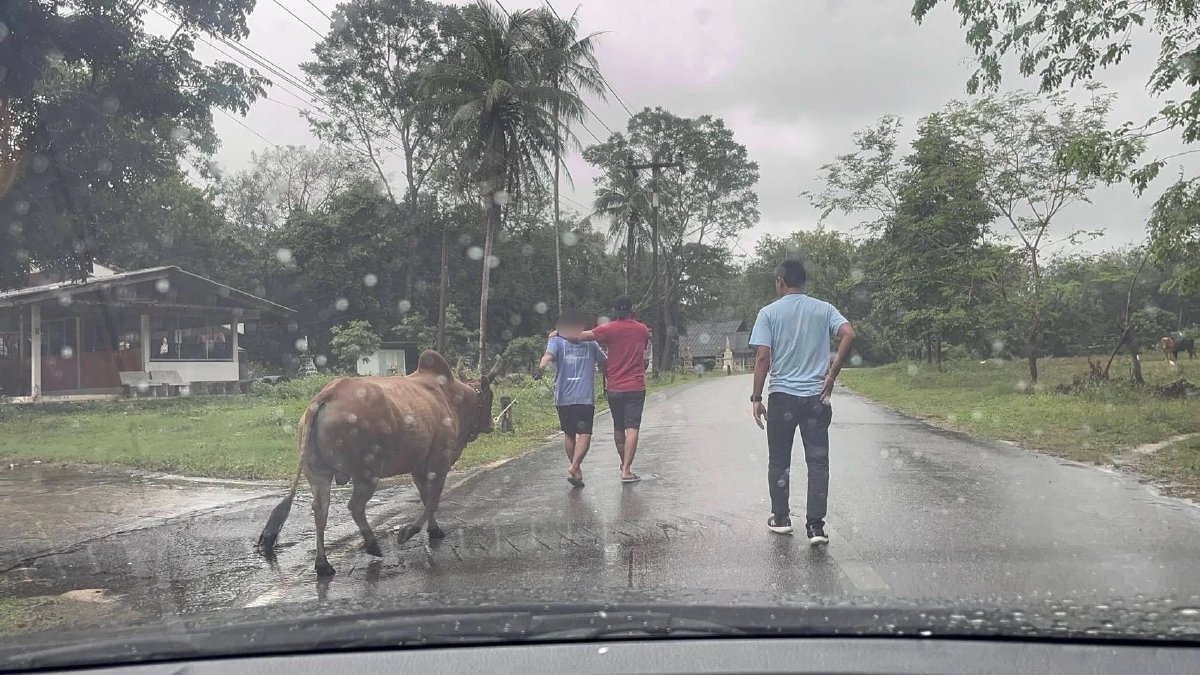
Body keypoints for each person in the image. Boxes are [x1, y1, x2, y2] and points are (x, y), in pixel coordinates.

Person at [748, 259, 855, 545]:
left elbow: (762, 357)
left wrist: (757, 398)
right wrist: (831, 374)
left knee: (780, 460)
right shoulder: (824, 309)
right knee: (818, 462)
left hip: (782, 398)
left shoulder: (768, 313)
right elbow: (849, 333)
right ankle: (816, 527)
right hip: (816, 399)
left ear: (780, 282)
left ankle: (781, 518)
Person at [554, 296, 650, 483]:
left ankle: (623, 463)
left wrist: (559, 333)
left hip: (614, 386)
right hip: (636, 386)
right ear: (632, 310)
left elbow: (578, 337)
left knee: (618, 427)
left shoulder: (608, 329)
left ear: (615, 313)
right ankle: (626, 470)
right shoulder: (642, 329)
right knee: (632, 428)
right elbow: (643, 353)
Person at [534, 308, 607, 488]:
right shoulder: (591, 343)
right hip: (584, 398)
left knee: (569, 434)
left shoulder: (556, 340)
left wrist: (540, 368)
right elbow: (605, 362)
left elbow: (547, 356)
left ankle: (576, 469)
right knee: (585, 433)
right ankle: (575, 466)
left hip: (563, 397)